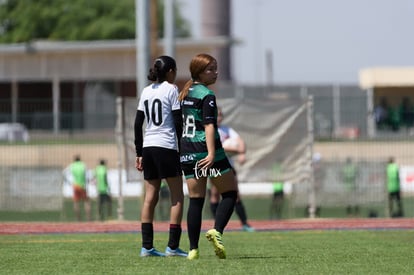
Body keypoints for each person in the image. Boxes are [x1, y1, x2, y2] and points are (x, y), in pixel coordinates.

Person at [179, 53, 238, 260]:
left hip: (187, 152)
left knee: (196, 201)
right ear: (199, 72)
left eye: (216, 68)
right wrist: (212, 153)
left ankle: (193, 250)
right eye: (210, 69)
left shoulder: (184, 93)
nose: (216, 72)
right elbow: (210, 125)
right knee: (230, 193)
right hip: (206, 152)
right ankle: (217, 231)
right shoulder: (207, 95)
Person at [134, 55, 187, 257]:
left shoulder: (146, 91)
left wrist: (139, 152)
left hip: (148, 147)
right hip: (167, 147)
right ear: (171, 71)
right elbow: (177, 121)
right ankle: (172, 246)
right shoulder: (172, 89)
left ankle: (146, 247)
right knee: (177, 196)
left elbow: (138, 124)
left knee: (149, 198)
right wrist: (182, 149)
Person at [208, 107, 255, 232]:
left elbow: (241, 144)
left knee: (235, 194)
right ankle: (217, 226)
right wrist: (226, 149)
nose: (219, 117)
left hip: (228, 166)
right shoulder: (209, 129)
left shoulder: (227, 130)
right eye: (216, 115)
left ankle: (244, 223)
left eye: (220, 115)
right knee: (214, 194)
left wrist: (241, 153)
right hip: (215, 166)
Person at [69, 155, 91, 221]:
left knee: (76, 202)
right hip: (82, 186)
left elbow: (66, 173)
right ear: (80, 159)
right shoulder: (83, 165)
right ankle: (88, 218)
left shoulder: (72, 166)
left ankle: (78, 219)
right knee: (86, 202)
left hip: (75, 186)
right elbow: (88, 174)